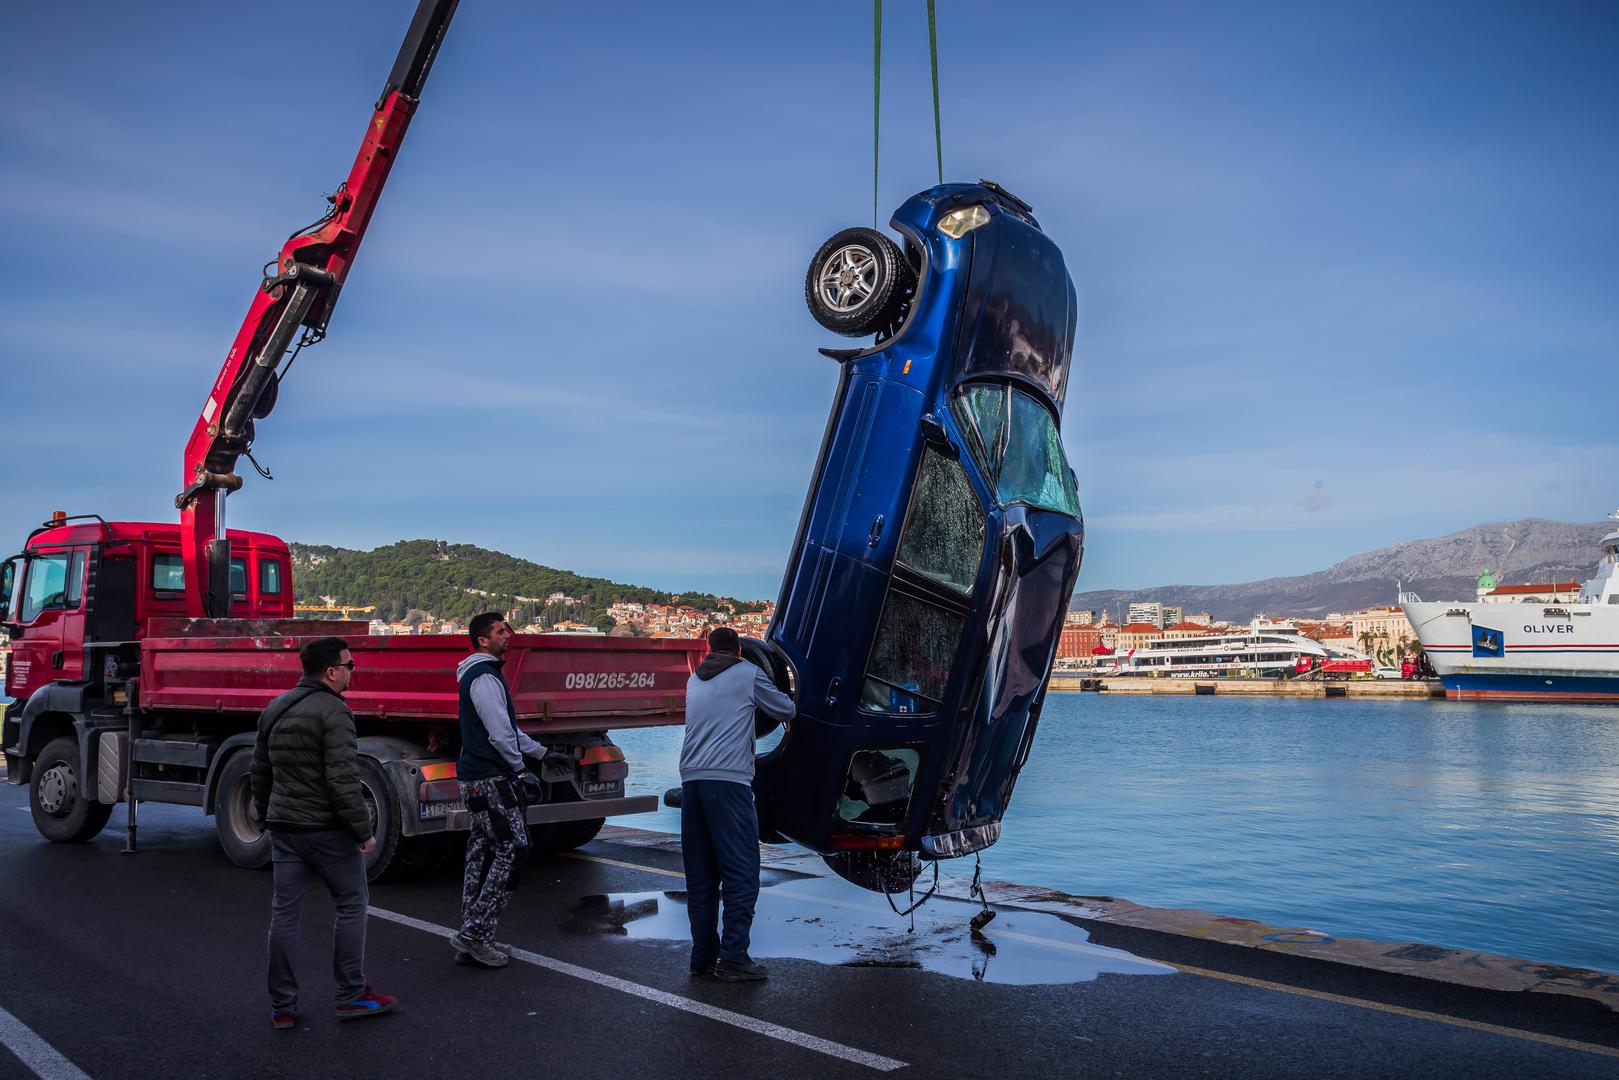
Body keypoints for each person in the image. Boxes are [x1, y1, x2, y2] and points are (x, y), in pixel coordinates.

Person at [251, 636, 395, 1029]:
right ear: (331, 672)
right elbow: (343, 781)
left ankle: (282, 1006)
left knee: (284, 915)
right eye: (350, 666)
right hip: (326, 829)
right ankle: (350, 995)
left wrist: (267, 815)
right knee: (351, 904)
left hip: (284, 828)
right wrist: (364, 831)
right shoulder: (335, 712)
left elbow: (260, 772)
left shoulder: (275, 708)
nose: (352, 672)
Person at [680, 626, 795, 981]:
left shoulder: (693, 681)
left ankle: (702, 958)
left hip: (691, 782)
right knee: (741, 872)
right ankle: (733, 958)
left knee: (701, 878)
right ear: (740, 651)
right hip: (728, 783)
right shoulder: (748, 673)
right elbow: (785, 707)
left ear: (709, 650)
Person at [452, 612, 546, 968]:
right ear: (482, 641)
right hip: (490, 779)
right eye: (499, 631)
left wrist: (543, 753)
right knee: (513, 848)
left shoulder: (478, 674)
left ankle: (475, 934)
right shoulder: (486, 678)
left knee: (480, 850)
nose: (508, 635)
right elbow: (500, 734)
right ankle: (473, 934)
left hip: (476, 778)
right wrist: (521, 771)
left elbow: (510, 731)